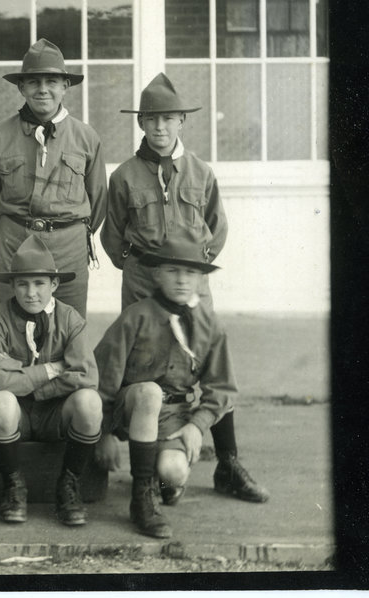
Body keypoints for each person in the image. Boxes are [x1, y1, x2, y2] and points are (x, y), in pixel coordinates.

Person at [99, 73, 267, 504]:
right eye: (151, 119)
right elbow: (112, 236)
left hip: (189, 282)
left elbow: (217, 226)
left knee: (207, 362)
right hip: (142, 282)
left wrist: (192, 271)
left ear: (182, 123)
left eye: (168, 119)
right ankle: (152, 464)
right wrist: (139, 269)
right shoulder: (124, 176)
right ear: (141, 124)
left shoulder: (200, 172)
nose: (159, 127)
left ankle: (227, 463)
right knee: (147, 371)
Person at [94, 227, 239, 539]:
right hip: (131, 407)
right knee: (149, 391)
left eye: (191, 272)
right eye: (173, 270)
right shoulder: (136, 317)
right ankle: (141, 498)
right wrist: (103, 432)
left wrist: (196, 425)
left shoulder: (209, 325)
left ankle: (162, 480)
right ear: (157, 273)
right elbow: (103, 377)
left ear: (202, 278)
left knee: (173, 471)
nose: (182, 279)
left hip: (174, 415)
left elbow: (222, 389)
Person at [0, 39, 106, 318]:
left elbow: (98, 200)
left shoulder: (86, 137)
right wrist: (9, 233)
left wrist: (70, 232)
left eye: (52, 81)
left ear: (65, 87)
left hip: (68, 245)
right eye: (34, 82)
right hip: (16, 242)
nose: (43, 89)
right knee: (11, 325)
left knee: (69, 325)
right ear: (22, 88)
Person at [0, 235, 102, 526]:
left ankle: (68, 485)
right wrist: (52, 370)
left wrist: (25, 381)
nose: (31, 293)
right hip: (17, 416)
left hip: (56, 414)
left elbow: (85, 375)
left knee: (89, 402)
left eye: (39, 284)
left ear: (54, 285)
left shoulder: (71, 319)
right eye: (22, 284)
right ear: (12, 286)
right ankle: (14, 486)